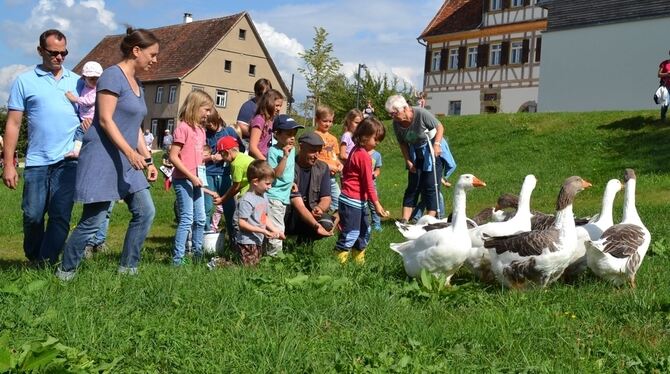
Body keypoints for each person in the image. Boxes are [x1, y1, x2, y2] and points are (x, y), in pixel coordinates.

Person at [56, 27, 159, 280]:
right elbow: (105, 120)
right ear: (136, 51)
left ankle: (128, 269)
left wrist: (147, 159)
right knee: (93, 221)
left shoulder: (138, 84)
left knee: (146, 211)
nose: (155, 60)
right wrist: (130, 154)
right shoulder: (112, 76)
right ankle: (65, 272)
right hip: (104, 156)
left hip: (127, 158)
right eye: (152, 54)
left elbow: (134, 127)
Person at [3, 29, 82, 265]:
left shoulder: (77, 81)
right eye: (53, 53)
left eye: (63, 53)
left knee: (60, 215)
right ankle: (34, 255)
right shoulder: (24, 81)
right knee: (33, 215)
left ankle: (45, 263)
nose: (59, 57)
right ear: (40, 51)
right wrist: (9, 164)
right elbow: (14, 124)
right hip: (37, 161)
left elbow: (91, 113)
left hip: (68, 161)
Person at [386, 94, 454, 222]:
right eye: (391, 114)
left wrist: (437, 144)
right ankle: (405, 219)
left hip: (432, 151)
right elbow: (402, 143)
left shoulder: (421, 113)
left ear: (405, 108)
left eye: (394, 113)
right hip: (415, 153)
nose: (393, 117)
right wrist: (408, 160)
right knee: (413, 186)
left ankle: (429, 219)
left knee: (430, 186)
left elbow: (439, 127)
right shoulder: (397, 123)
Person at [335, 117, 389, 264]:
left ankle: (359, 261)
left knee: (364, 231)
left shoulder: (355, 150)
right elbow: (368, 183)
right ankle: (339, 262)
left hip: (357, 201)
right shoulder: (363, 155)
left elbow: (346, 171)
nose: (377, 143)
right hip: (352, 200)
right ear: (364, 136)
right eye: (375, 139)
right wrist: (377, 205)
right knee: (351, 232)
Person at [168, 89, 212, 266]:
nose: (208, 114)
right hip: (183, 179)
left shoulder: (201, 131)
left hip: (197, 179)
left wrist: (207, 159)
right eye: (206, 109)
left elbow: (197, 156)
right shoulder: (182, 129)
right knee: (187, 218)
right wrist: (190, 176)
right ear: (195, 107)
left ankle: (197, 255)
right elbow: (173, 156)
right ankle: (178, 259)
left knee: (201, 218)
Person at [232, 160, 285, 266]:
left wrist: (276, 231)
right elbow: (242, 223)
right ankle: (219, 263)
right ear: (255, 181)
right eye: (267, 183)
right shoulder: (247, 200)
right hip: (246, 241)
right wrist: (263, 231)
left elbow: (263, 217)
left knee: (255, 265)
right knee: (249, 269)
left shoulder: (263, 196)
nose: (270, 187)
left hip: (257, 239)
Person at [284, 132, 334, 239]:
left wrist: (320, 208)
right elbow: (297, 203)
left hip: (311, 210)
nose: (316, 155)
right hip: (292, 211)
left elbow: (326, 197)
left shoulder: (323, 168)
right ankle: (287, 238)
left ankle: (305, 242)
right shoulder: (289, 165)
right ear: (301, 147)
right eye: (312, 150)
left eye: (319, 151)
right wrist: (315, 224)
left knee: (326, 223)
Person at [265, 114, 303, 256]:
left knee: (277, 226)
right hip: (274, 196)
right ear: (277, 134)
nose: (292, 137)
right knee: (277, 228)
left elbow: (287, 172)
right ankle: (274, 259)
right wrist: (285, 156)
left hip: (283, 195)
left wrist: (291, 182)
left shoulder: (290, 148)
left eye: (294, 134)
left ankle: (268, 255)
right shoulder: (274, 151)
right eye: (288, 134)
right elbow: (276, 174)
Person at [204, 109, 243, 240]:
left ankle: (234, 239)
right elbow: (199, 155)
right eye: (207, 125)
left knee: (230, 207)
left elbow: (240, 149)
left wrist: (230, 159)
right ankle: (205, 238)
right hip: (209, 174)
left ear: (217, 119)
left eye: (211, 124)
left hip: (226, 174)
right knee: (207, 207)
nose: (210, 127)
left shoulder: (229, 132)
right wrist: (211, 158)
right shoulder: (204, 134)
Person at [64, 60, 103, 158]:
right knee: (81, 133)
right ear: (84, 78)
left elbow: (90, 101)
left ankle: (76, 151)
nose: (95, 81)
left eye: (97, 78)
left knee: (80, 132)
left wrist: (75, 99)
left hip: (93, 119)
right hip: (85, 118)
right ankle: (79, 151)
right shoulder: (85, 87)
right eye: (91, 79)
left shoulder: (97, 89)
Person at [214, 135, 255, 227]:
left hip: (247, 196)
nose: (222, 158)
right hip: (256, 195)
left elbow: (236, 186)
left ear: (227, 152)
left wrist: (223, 199)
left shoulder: (236, 164)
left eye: (222, 154)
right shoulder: (244, 157)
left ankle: (238, 240)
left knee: (238, 222)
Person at [314, 105, 343, 216]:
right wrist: (328, 166)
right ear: (317, 120)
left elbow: (335, 157)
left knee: (339, 200)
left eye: (330, 121)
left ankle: (330, 221)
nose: (328, 124)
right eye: (324, 121)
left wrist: (339, 164)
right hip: (319, 175)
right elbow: (314, 158)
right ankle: (320, 219)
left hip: (331, 177)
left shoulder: (333, 139)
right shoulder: (315, 136)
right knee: (320, 200)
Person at [248, 89, 284, 160]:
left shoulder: (271, 121)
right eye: (277, 105)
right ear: (269, 103)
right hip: (258, 162)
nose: (279, 109)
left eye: (280, 106)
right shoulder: (259, 120)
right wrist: (266, 163)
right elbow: (252, 147)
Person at [369, 149, 383, 232]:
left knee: (374, 204)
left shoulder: (377, 155)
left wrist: (375, 173)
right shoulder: (359, 152)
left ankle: (376, 223)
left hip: (371, 184)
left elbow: (378, 169)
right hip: (359, 185)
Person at [658, 50, 670, 121]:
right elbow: (659, 75)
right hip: (666, 86)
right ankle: (663, 117)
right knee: (665, 103)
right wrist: (667, 74)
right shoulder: (664, 63)